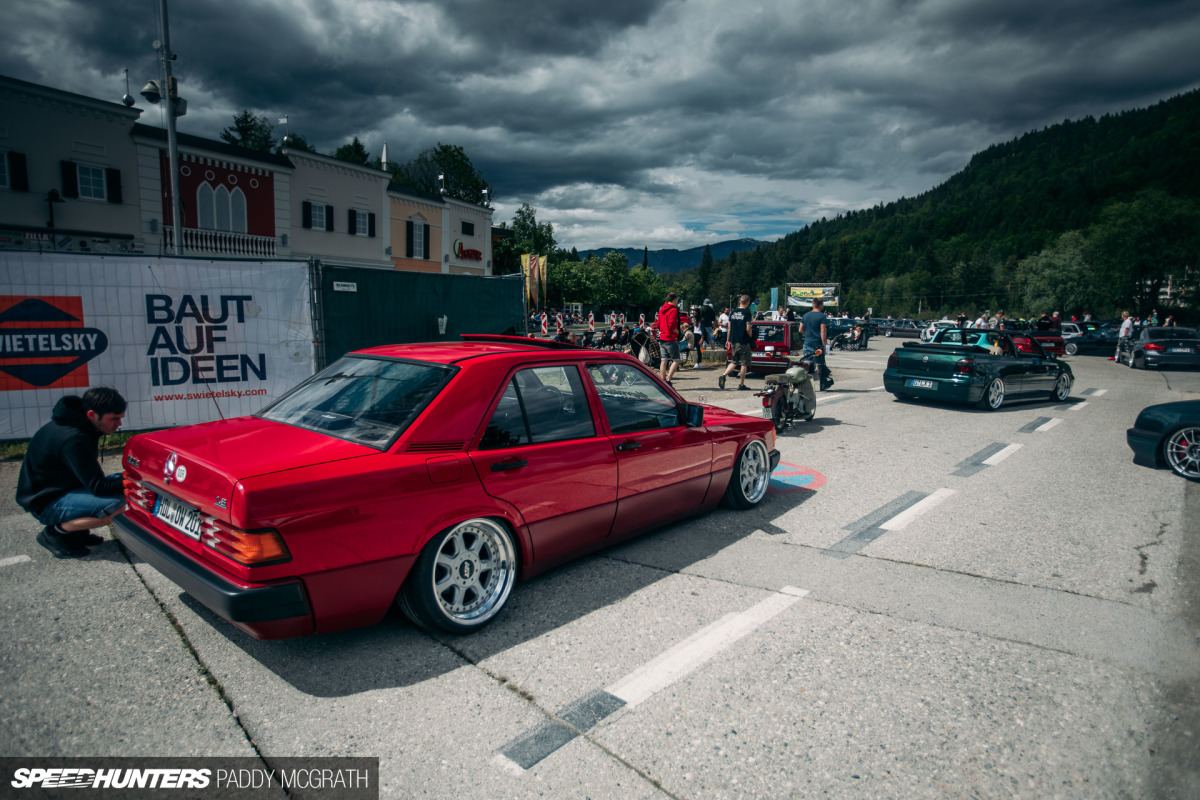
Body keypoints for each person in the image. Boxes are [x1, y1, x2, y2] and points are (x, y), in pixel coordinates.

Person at [16, 387, 128, 559]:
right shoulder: (73, 438)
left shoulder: (78, 425)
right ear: (91, 414)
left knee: (122, 484)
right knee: (121, 505)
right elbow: (99, 487)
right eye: (114, 419)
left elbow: (90, 478)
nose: (119, 424)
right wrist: (134, 479)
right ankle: (55, 533)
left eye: (120, 418)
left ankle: (77, 532)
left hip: (60, 490)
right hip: (46, 502)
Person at [718, 295, 753, 391]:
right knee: (744, 363)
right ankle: (741, 384)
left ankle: (724, 375)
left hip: (734, 341)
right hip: (743, 341)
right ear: (747, 302)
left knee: (734, 361)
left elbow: (729, 328)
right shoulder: (747, 313)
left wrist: (728, 340)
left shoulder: (732, 313)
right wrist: (751, 335)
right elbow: (748, 328)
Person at [800, 298, 833, 390]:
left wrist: (807, 335)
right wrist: (824, 344)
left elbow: (800, 329)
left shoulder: (805, 315)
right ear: (820, 305)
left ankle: (802, 383)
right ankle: (822, 384)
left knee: (806, 364)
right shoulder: (822, 316)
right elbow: (823, 331)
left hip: (807, 342)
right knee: (820, 364)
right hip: (817, 343)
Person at [657, 291, 682, 383]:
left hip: (662, 337)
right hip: (670, 338)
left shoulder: (661, 309)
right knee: (676, 360)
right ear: (674, 299)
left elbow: (658, 324)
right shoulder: (673, 310)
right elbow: (672, 325)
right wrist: (677, 331)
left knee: (664, 360)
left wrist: (663, 329)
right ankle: (668, 379)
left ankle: (662, 380)